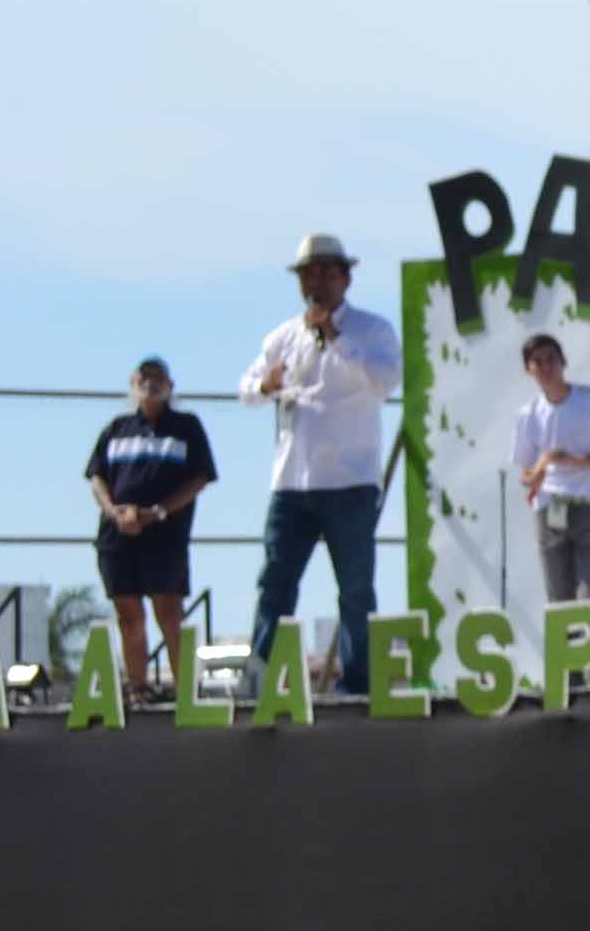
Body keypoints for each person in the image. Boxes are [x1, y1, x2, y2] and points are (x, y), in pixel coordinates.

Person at [236, 232, 401, 692]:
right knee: (275, 584)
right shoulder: (283, 337)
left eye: (328, 273)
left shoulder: (372, 329)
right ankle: (260, 681)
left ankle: (359, 683)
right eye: (309, 275)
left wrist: (336, 338)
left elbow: (384, 381)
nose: (318, 283)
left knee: (355, 588)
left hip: (350, 481)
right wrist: (265, 385)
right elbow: (246, 388)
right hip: (292, 482)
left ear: (346, 279)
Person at [83, 358, 216, 702]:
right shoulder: (117, 429)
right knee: (128, 616)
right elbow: (96, 476)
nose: (150, 383)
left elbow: (199, 478)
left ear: (170, 386)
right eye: (144, 377)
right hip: (119, 535)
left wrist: (159, 512)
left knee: (169, 614)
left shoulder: (186, 427)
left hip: (164, 535)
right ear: (133, 383)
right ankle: (137, 689)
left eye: (158, 377)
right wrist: (113, 511)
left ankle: (186, 691)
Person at [509, 331, 590, 625]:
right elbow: (526, 477)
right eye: (537, 361)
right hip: (550, 513)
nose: (545, 366)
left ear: (563, 362)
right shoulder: (528, 414)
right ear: (528, 370)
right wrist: (542, 466)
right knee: (560, 604)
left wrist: (580, 462)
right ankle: (568, 659)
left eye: (551, 358)